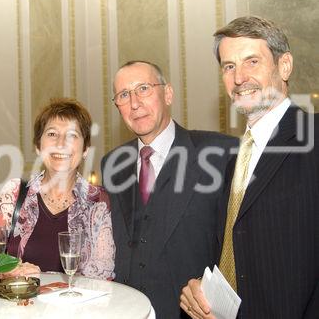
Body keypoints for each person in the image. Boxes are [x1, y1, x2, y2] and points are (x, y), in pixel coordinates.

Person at [180, 16, 319, 318]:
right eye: (229, 66)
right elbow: (237, 247)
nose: (239, 77)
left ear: (284, 66)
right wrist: (201, 289)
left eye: (252, 61)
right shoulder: (234, 162)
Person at [101, 61, 236, 318]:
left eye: (143, 89)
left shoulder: (219, 154)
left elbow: (238, 244)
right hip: (125, 311)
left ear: (168, 93)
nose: (134, 103)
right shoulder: (112, 164)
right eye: (123, 95)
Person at [0, 98, 115, 279]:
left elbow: (104, 275)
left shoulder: (97, 201)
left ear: (85, 149)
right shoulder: (15, 193)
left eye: (72, 135)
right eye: (52, 134)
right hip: (16, 304)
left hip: (76, 307)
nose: (61, 143)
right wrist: (4, 270)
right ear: (38, 146)